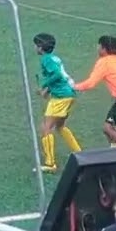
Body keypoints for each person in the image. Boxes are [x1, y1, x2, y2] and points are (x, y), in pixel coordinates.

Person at [34, 32, 83, 173]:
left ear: (40, 47)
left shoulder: (46, 60)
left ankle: (50, 164)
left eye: (36, 45)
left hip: (61, 97)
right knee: (60, 126)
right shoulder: (54, 58)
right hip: (68, 94)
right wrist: (47, 91)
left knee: (45, 127)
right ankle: (79, 152)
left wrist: (43, 85)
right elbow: (58, 76)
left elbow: (56, 74)